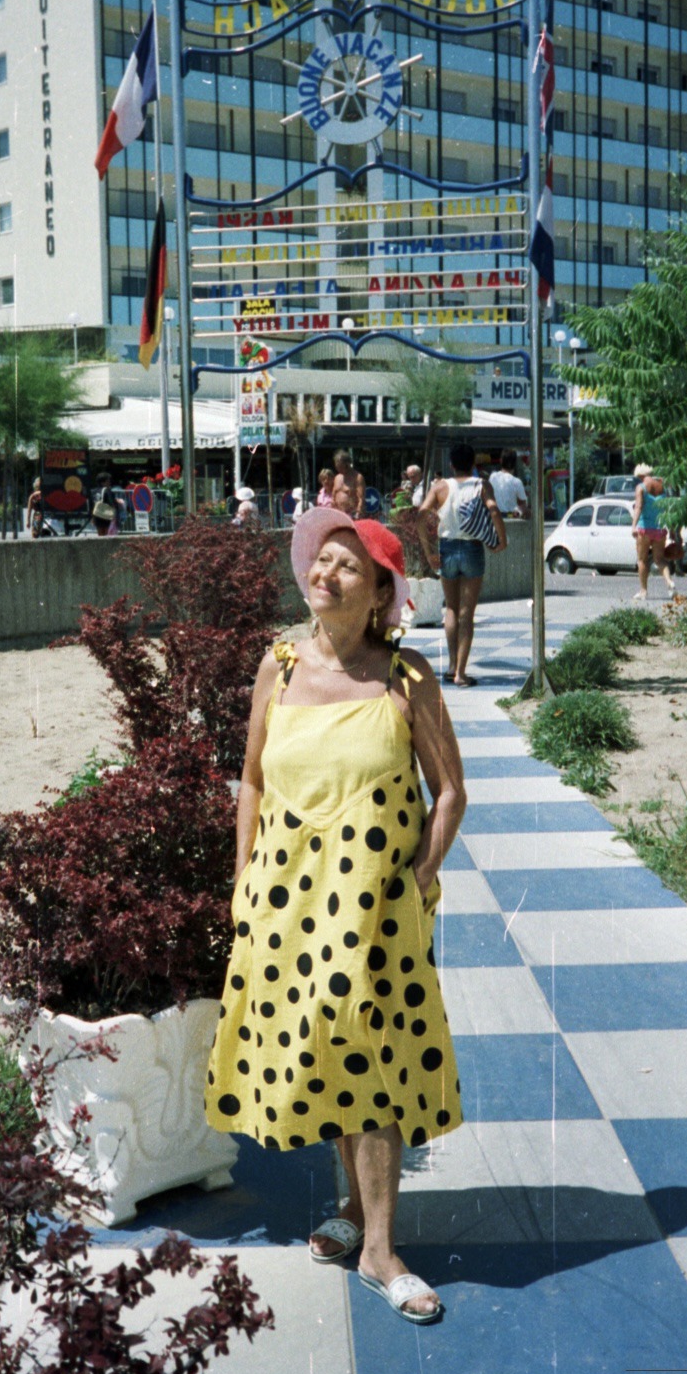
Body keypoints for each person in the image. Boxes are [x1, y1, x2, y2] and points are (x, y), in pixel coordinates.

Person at [205, 509, 467, 1325]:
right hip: (288, 901)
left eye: (347, 566)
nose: (325, 574)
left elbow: (450, 789)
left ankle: (380, 1248)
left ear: (382, 591)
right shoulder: (277, 667)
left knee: (376, 1055)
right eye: (319, 561)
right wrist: (244, 874)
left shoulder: (405, 675)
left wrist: (419, 874)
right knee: (322, 1043)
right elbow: (250, 778)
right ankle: (352, 1210)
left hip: (376, 904)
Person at [418, 443, 507, 687]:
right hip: (472, 549)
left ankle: (449, 666)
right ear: (473, 463)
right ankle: (461, 673)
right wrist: (502, 540)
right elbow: (494, 511)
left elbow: (421, 513)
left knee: (451, 609)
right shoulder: (481, 485)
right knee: (468, 613)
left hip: (446, 548)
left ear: (451, 464)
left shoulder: (439, 487)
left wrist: (428, 551)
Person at [631, 463, 674, 599]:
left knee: (642, 560)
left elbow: (638, 507)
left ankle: (643, 591)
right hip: (659, 529)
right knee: (660, 559)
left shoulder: (641, 488)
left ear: (641, 475)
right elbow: (668, 508)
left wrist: (633, 526)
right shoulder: (662, 487)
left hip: (644, 529)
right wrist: (671, 529)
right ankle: (669, 582)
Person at [487, 450, 530, 519]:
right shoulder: (517, 482)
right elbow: (523, 505)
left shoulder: (493, 477)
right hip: (511, 516)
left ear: (501, 461)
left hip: (495, 516)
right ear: (515, 463)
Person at [331, 449, 366, 519]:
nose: (338, 469)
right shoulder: (337, 478)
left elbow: (361, 498)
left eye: (340, 467)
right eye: (337, 467)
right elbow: (333, 496)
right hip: (338, 514)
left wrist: (358, 513)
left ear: (347, 465)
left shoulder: (357, 477)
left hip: (352, 515)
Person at [92, 471, 121, 537]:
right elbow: (111, 503)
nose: (110, 483)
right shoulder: (107, 491)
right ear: (103, 482)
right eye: (108, 481)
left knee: (100, 536)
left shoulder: (93, 491)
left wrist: (92, 517)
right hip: (106, 516)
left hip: (97, 515)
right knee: (108, 536)